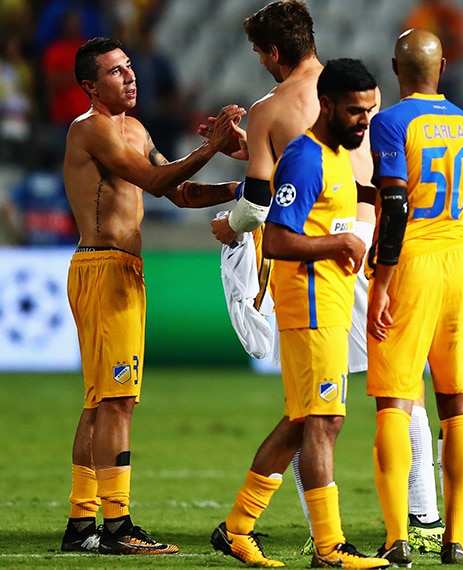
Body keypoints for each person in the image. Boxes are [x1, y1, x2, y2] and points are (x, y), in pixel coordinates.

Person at [192, 3, 384, 560]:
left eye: (369, 111)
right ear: (329, 105)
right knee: (322, 419)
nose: (365, 122)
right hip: (310, 296)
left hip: (328, 292)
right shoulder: (306, 156)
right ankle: (330, 546)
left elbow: (273, 199)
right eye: (357, 112)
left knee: (308, 417)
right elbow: (273, 236)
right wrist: (341, 244)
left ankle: (237, 528)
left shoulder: (323, 152)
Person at [59, 36, 242, 555]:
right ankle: (116, 527)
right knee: (114, 401)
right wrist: (209, 148)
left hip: (124, 271)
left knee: (104, 401)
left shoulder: (135, 130)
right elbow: (156, 182)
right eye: (116, 72)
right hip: (102, 269)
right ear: (91, 87)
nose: (130, 76)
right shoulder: (90, 130)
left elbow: (180, 193)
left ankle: (81, 524)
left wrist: (238, 189)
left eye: (130, 67)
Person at [366, 28, 463, 566]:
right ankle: (456, 538)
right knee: (457, 402)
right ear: (444, 65)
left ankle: (397, 539)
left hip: (410, 261)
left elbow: (395, 205)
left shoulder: (389, 121)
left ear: (395, 67)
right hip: (458, 261)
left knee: (394, 400)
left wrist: (382, 281)